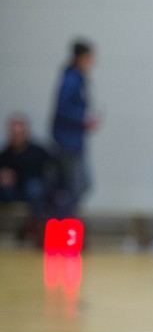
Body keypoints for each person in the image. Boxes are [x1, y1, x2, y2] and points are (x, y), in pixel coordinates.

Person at [50, 39, 99, 217]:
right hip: (67, 142)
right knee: (77, 185)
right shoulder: (71, 79)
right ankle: (60, 219)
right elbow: (62, 107)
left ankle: (63, 219)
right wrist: (82, 119)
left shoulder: (79, 78)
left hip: (74, 140)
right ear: (81, 57)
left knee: (79, 185)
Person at [0, 114, 55, 244]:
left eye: (19, 133)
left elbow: (52, 172)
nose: (17, 137)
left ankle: (37, 228)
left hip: (36, 192)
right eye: (14, 133)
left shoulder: (38, 152)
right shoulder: (5, 155)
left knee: (34, 187)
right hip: (13, 192)